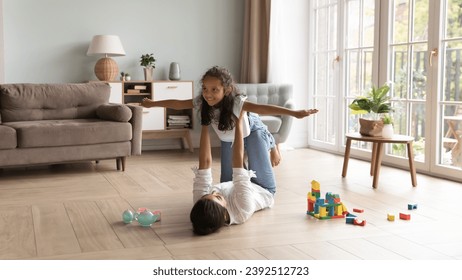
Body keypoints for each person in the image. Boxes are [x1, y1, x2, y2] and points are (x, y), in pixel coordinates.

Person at [141, 66, 318, 194]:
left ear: (226, 90)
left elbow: (263, 109)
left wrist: (295, 113)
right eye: (204, 88)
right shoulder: (203, 102)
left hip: (252, 132)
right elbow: (177, 104)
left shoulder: (237, 102)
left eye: (214, 90)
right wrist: (153, 104)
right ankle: (260, 154)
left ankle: (272, 145)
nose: (207, 94)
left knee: (266, 186)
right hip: (230, 140)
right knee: (228, 185)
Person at [190, 111, 274, 235]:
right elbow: (237, 162)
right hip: (261, 188)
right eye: (217, 196)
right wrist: (239, 120)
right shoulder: (242, 209)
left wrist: (205, 123)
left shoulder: (202, 203)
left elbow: (205, 163)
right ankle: (270, 140)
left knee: (227, 134)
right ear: (224, 213)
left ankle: (251, 126)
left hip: (231, 184)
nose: (214, 192)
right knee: (255, 135)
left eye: (209, 194)